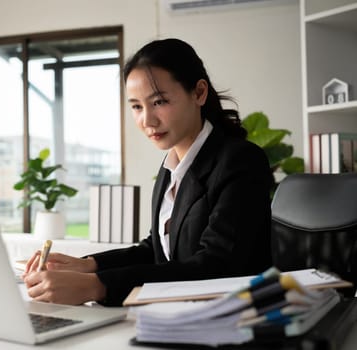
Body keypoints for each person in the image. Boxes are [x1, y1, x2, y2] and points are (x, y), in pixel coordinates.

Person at [23, 38, 273, 306]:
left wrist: (98, 287)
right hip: (174, 315)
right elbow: (155, 250)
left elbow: (215, 267)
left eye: (159, 102)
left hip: (229, 322)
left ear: (199, 93)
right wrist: (89, 266)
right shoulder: (172, 166)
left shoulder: (240, 160)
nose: (147, 121)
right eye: (136, 106)